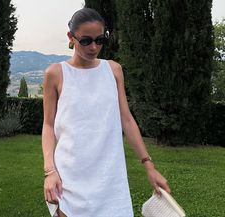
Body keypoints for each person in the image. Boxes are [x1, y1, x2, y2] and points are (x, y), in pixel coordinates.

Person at [41, 7, 170, 217]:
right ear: (71, 37)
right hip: (69, 179)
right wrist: (50, 171)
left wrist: (149, 166)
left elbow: (126, 120)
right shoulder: (55, 73)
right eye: (86, 40)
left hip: (110, 179)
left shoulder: (113, 70)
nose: (93, 47)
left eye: (99, 40)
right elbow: (48, 125)